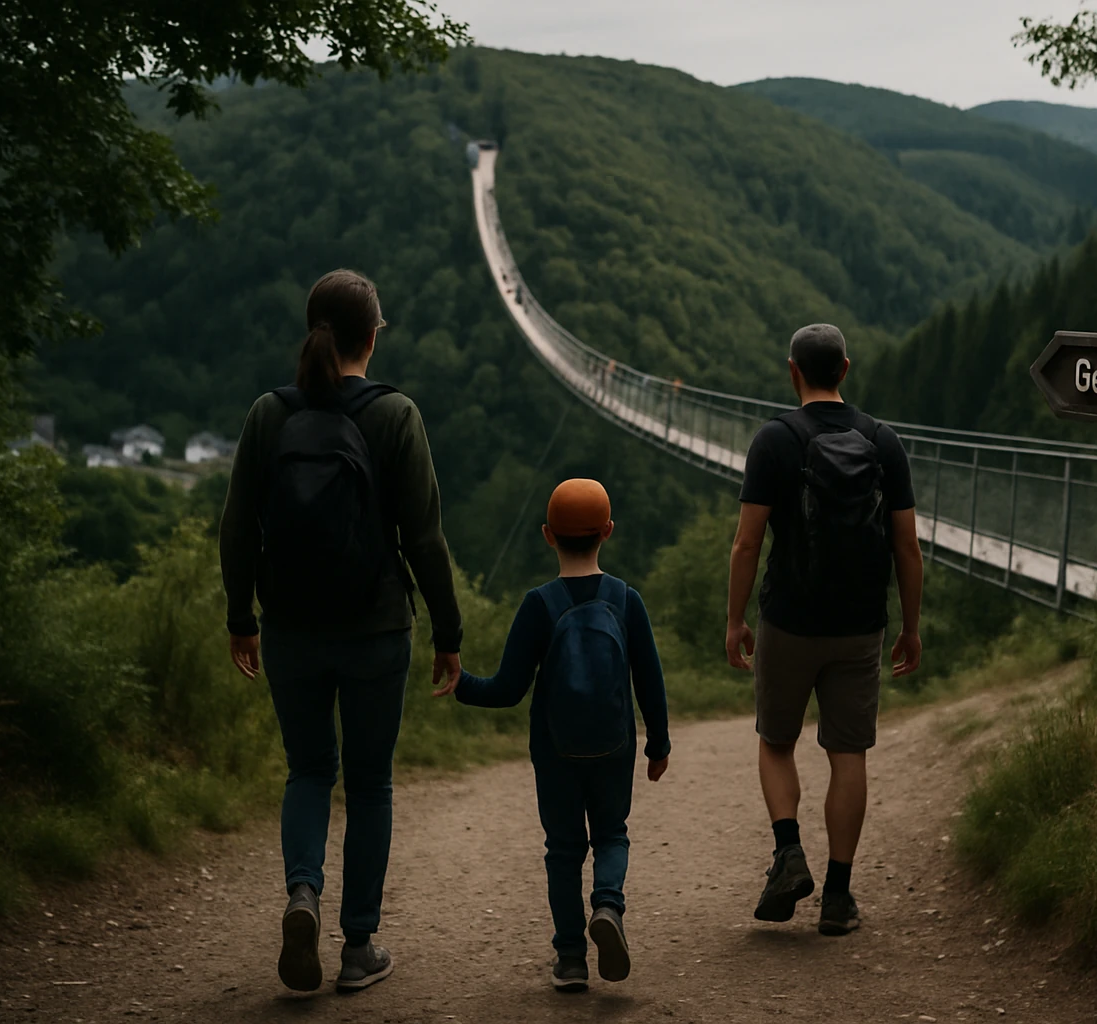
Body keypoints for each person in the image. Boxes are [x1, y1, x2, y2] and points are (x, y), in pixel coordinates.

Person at [219, 269, 464, 993]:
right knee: (369, 782)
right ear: (372, 337)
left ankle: (303, 892)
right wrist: (448, 631)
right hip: (375, 629)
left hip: (291, 626)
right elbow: (425, 539)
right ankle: (358, 948)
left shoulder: (269, 413)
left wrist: (241, 616)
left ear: (312, 330)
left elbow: (238, 527)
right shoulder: (396, 415)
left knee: (308, 770)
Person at [725, 323, 924, 936]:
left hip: (789, 619)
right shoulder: (883, 442)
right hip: (860, 624)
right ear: (845, 368)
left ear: (793, 371)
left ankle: (788, 851)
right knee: (847, 754)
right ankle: (838, 898)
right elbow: (907, 546)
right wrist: (910, 626)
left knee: (776, 742)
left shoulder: (774, 440)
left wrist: (735, 619)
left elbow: (747, 543)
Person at [435, 478, 671, 993]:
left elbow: (507, 690)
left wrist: (461, 683)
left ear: (547, 535)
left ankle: (570, 959)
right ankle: (607, 905)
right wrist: (659, 744)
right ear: (608, 531)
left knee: (564, 850)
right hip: (614, 746)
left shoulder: (538, 605)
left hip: (555, 751)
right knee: (611, 834)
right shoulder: (626, 600)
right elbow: (649, 681)